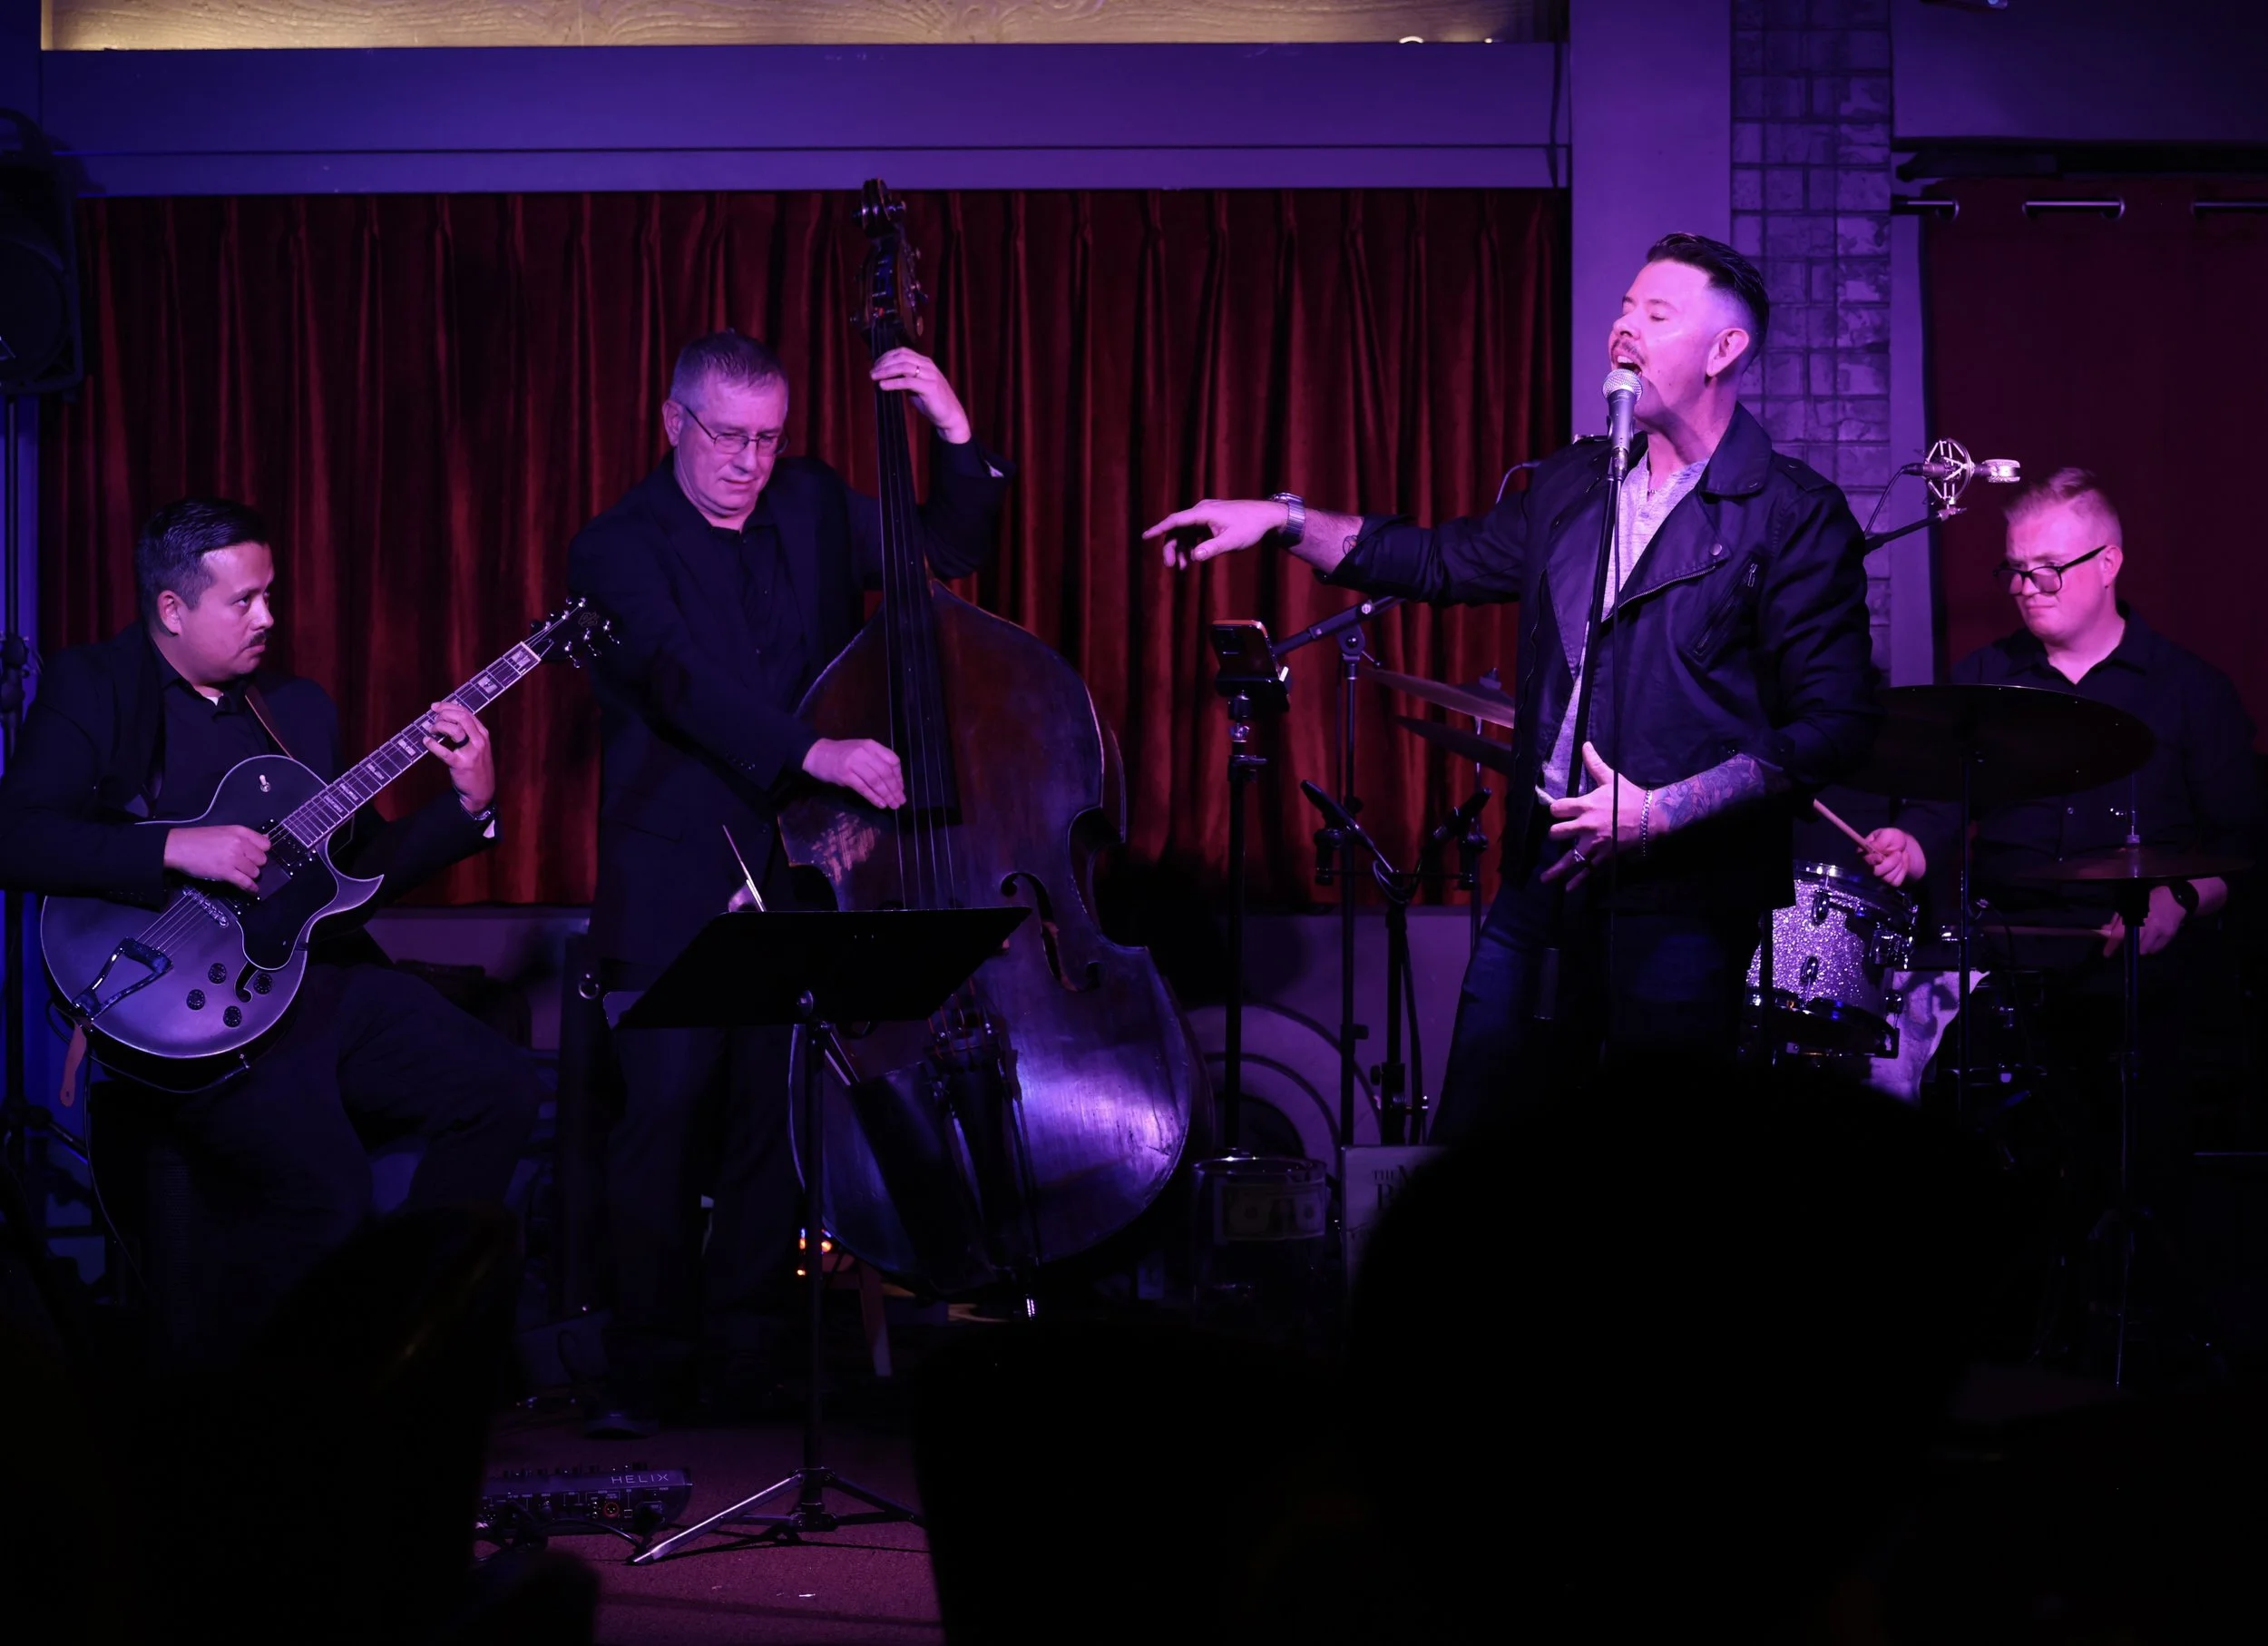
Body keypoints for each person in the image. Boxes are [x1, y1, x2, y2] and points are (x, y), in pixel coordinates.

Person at [1147, 232, 1878, 1137]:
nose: (1624, 328)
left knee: (1656, 1155)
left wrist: (1662, 811)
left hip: (1684, 902)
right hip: (1545, 877)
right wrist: (1283, 518)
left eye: (1656, 314)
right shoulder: (1576, 484)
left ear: (1724, 350)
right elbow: (1436, 560)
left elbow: (1834, 725)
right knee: (1482, 1142)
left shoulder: (1792, 514)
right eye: (1624, 307)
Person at [566, 328, 1010, 1436]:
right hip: (674, 871)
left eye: (767, 439)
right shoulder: (614, 546)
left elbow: (947, 546)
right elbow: (675, 680)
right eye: (727, 437)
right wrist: (816, 752)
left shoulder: (808, 500)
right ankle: (646, 1370)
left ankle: (746, 1361)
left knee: (775, 1126)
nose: (749, 463)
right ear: (673, 422)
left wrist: (951, 426)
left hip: (807, 865)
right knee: (664, 1125)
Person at [0, 496, 542, 1367]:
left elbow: (355, 878)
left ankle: (412, 1341)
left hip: (312, 980)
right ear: (172, 609)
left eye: (270, 594)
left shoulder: (295, 708)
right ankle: (294, 1407)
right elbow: (17, 838)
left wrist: (468, 804)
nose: (268, 618)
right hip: (199, 1015)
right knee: (327, 1192)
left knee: (500, 1088)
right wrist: (177, 847)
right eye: (244, 601)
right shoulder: (93, 686)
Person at [1862, 470, 2261, 1297]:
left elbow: (2241, 845)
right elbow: (1942, 806)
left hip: (2144, 964)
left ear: (2108, 563)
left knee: (2138, 1130)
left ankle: (2141, 1308)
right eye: (2014, 571)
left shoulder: (2190, 693)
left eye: (2047, 571)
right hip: (2012, 956)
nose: (2025, 589)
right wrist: (1912, 845)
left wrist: (2179, 898)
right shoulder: (1984, 679)